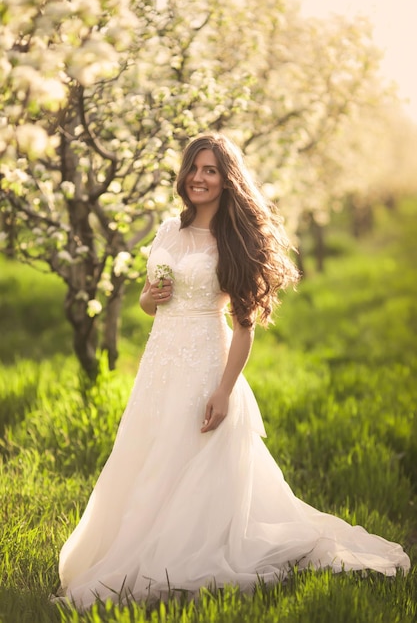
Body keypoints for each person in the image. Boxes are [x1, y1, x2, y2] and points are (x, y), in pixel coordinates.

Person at [56, 133, 410, 609]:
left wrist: (224, 390)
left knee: (191, 460)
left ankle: (183, 553)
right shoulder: (167, 230)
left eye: (211, 171)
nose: (200, 178)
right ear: (183, 175)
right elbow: (146, 300)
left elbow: (244, 330)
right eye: (194, 169)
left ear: (227, 180)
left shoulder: (234, 240)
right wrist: (148, 298)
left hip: (206, 363)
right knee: (148, 457)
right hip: (159, 365)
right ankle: (134, 545)